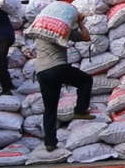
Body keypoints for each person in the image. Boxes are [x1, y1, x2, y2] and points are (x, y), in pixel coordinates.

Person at [33, 15, 95, 151]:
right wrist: (79, 22)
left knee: (50, 108)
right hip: (57, 67)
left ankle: (50, 142)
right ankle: (80, 110)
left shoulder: (39, 31)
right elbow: (86, 37)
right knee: (86, 80)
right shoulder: (62, 29)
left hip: (41, 72)